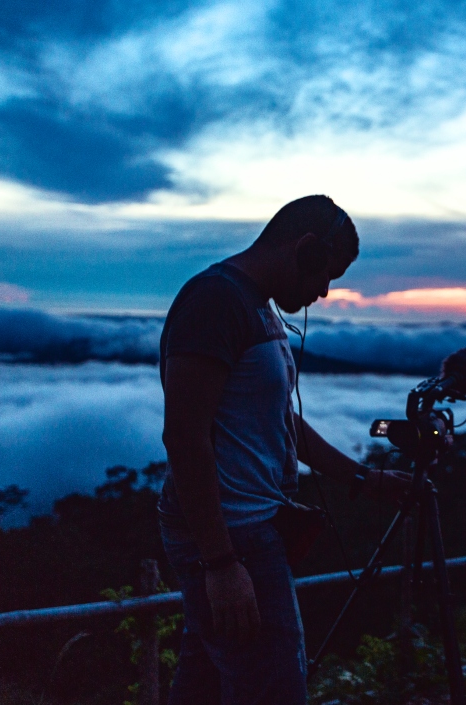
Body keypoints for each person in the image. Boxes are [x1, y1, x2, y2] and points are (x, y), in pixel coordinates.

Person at [157, 195, 408, 704]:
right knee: (274, 688)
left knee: (205, 685)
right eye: (326, 274)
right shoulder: (215, 300)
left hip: (248, 526)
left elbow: (282, 422)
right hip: (234, 533)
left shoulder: (257, 308)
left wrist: (361, 479)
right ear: (306, 249)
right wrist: (222, 564)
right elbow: (184, 436)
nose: (325, 290)